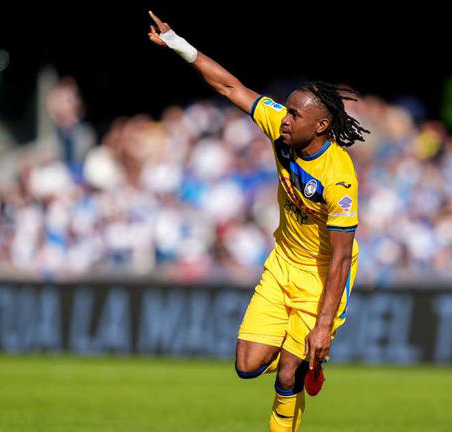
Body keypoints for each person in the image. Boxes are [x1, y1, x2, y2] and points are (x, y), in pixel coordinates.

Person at [148, 11, 368, 431]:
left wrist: (321, 327)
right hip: (282, 263)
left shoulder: (339, 179)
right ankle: (303, 363)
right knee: (247, 365)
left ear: (321, 126)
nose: (284, 119)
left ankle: (300, 364)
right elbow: (231, 86)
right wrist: (178, 43)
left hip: (322, 277)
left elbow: (340, 258)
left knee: (286, 374)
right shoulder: (281, 129)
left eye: (294, 116)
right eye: (285, 112)